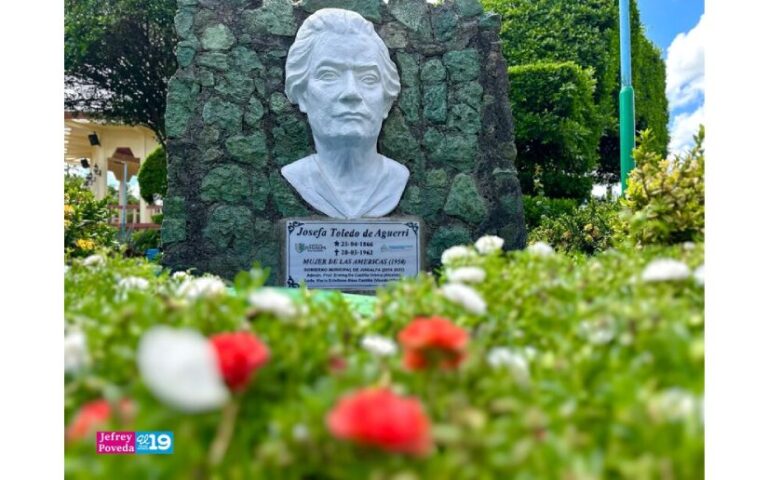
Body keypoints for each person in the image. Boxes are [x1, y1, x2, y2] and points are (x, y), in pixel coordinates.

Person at [281, 8, 410, 219]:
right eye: (329, 75)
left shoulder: (396, 178)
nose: (351, 92)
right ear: (302, 95)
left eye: (368, 78)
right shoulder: (298, 176)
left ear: (386, 101)